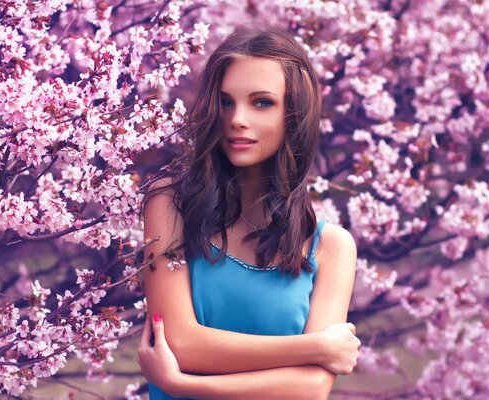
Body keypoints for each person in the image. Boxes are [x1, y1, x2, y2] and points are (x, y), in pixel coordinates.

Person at [137, 25, 360, 399]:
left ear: (294, 114)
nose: (237, 118)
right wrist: (318, 347)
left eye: (262, 102)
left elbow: (310, 389)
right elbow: (180, 342)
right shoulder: (170, 205)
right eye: (226, 102)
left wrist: (181, 383)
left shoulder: (331, 247)